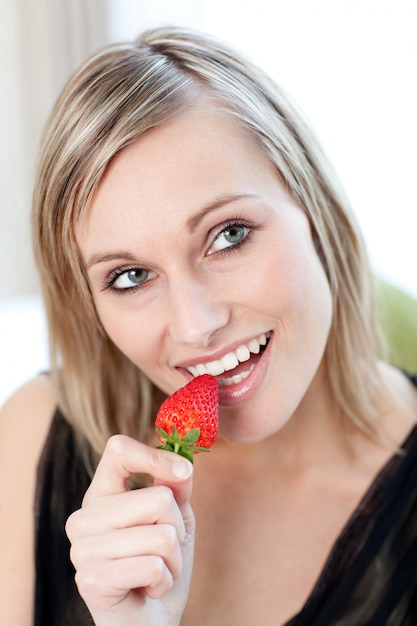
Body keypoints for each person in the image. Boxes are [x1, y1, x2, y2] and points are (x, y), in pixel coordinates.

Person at [1, 26, 416, 626]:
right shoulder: (37, 435)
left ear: (314, 208)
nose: (196, 326)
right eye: (129, 277)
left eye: (229, 236)